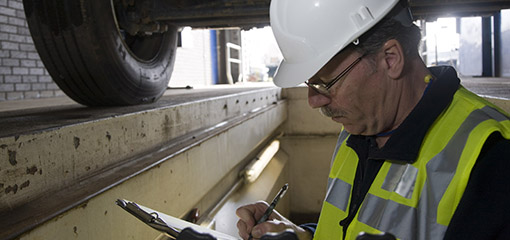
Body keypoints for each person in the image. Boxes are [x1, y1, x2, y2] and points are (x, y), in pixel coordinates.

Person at [236, 0, 510, 239]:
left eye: (325, 83)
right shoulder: (358, 130)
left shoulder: (491, 158)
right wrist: (304, 235)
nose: (313, 100)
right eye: (310, 83)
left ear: (390, 59)